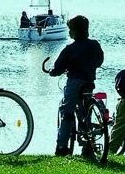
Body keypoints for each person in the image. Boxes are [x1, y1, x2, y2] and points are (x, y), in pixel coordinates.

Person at [49, 15, 104, 156]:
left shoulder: (70, 49)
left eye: (70, 30)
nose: (69, 33)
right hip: (89, 82)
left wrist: (53, 72)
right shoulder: (95, 45)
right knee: (86, 113)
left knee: (67, 112)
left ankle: (61, 147)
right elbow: (99, 61)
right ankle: (87, 146)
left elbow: (58, 67)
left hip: (74, 83)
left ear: (74, 31)